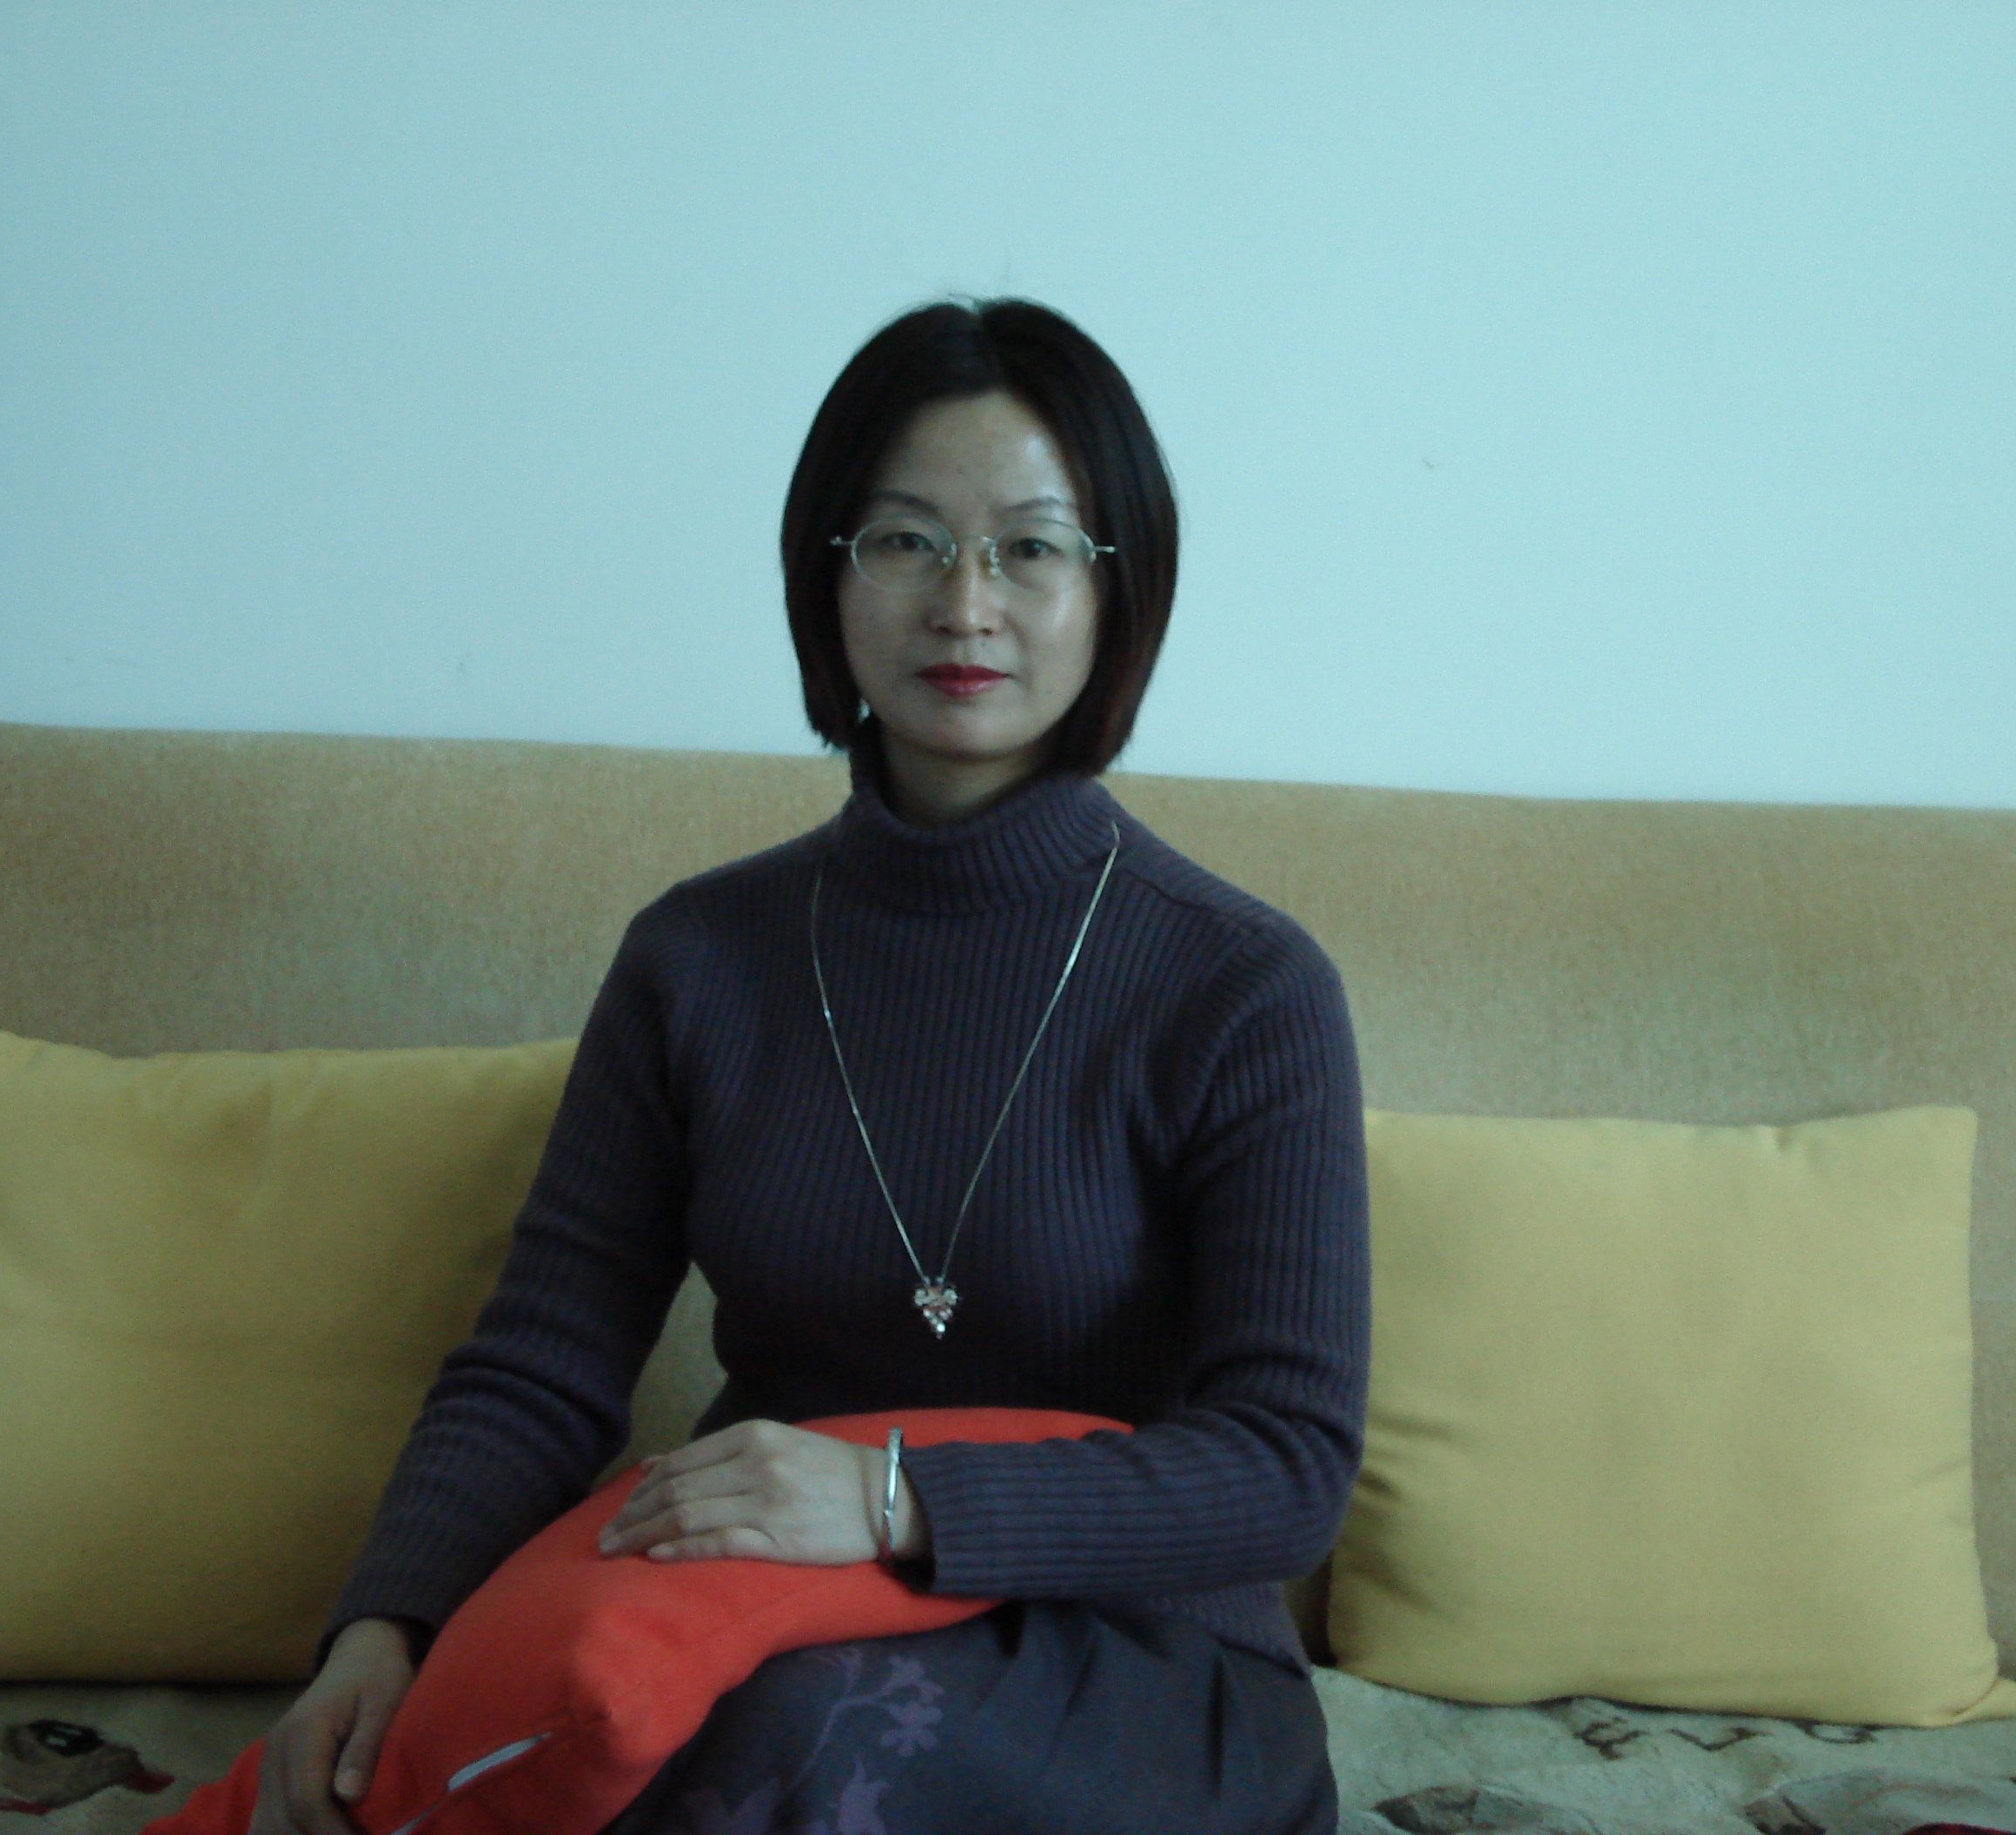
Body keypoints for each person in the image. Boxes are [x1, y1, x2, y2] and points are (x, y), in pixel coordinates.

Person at [251, 298, 1369, 1835]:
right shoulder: (700, 958)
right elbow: (544, 1361)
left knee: (788, 1752)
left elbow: (1286, 1464)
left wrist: (893, 1496)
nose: (965, 604)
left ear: (1119, 594)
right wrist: (389, 1629)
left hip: (1133, 1648)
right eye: (906, 541)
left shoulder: (1243, 986)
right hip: (754, 1617)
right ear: (825, 579)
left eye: (1031, 548)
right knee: (628, 1737)